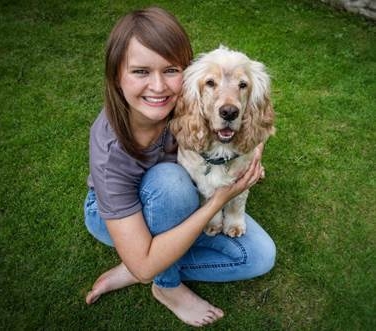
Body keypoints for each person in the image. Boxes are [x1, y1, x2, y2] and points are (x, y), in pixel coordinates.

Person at [84, 6, 276, 327]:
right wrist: (218, 200)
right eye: (141, 72)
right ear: (117, 75)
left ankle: (137, 264)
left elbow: (254, 114)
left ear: (185, 75)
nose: (158, 87)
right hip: (119, 218)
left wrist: (254, 148)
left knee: (259, 257)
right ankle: (166, 285)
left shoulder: (187, 99)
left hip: (184, 205)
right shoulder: (110, 150)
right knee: (170, 182)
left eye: (170, 70)